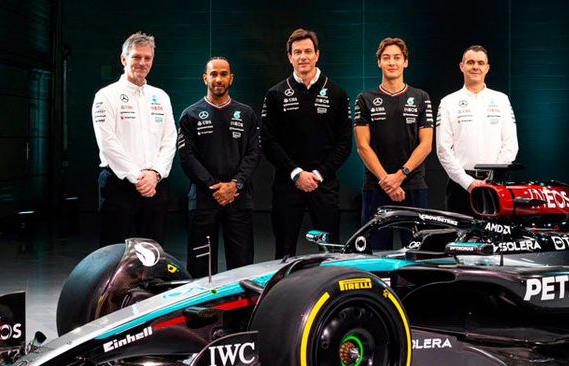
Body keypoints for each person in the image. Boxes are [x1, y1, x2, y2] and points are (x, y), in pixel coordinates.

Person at [260, 28, 352, 258]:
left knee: (330, 254)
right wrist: (296, 173)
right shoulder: (275, 94)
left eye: (308, 51)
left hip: (324, 184)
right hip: (287, 185)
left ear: (317, 55)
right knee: (284, 253)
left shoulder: (337, 93)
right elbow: (268, 141)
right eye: (297, 52)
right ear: (290, 57)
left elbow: (344, 143)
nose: (303, 57)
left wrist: (319, 174)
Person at [178, 57, 261, 278]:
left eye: (223, 74)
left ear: (231, 79)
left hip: (239, 198)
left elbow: (254, 154)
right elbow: (187, 158)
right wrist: (214, 187)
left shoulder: (246, 113)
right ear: (205, 78)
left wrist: (235, 185)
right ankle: (202, 302)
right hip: (203, 200)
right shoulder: (190, 115)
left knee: (242, 266)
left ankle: (241, 302)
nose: (218, 79)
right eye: (213, 74)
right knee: (200, 268)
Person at [91, 32, 176, 246]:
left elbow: (170, 140)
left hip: (155, 186)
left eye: (147, 58)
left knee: (152, 253)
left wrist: (155, 174)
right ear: (124, 59)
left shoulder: (161, 96)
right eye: (136, 57)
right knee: (116, 254)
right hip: (119, 187)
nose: (142, 63)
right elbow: (108, 144)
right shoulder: (105, 96)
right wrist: (138, 177)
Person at [354, 37, 433, 249]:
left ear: (405, 62)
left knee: (418, 253)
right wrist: (386, 181)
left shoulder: (421, 97)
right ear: (379, 62)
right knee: (375, 254)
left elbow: (426, 144)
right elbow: (362, 146)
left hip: (413, 185)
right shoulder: (364, 99)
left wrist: (400, 175)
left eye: (397, 58)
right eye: (386, 58)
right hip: (377, 187)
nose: (392, 62)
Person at [436, 45, 518, 216]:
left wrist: (494, 177)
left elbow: (511, 144)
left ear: (487, 68)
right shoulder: (448, 102)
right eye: (470, 62)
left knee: (497, 233)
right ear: (462, 66)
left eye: (480, 63)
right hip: (460, 186)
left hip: (497, 185)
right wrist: (468, 182)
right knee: (461, 233)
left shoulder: (501, 100)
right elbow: (443, 149)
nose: (475, 67)